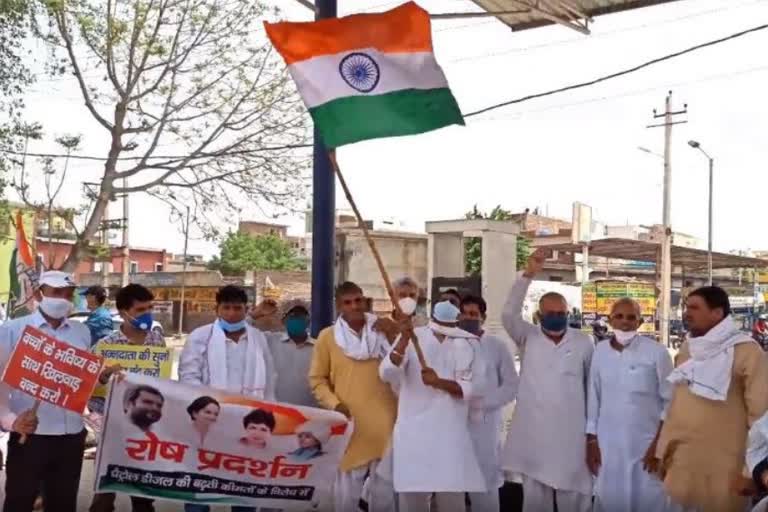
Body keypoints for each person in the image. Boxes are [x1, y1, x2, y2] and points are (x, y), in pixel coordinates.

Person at [657, 286, 768, 512]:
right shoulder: (688, 349)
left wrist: (751, 473)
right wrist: (662, 452)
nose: (687, 313)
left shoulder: (747, 351)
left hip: (727, 468)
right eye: (687, 307)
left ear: (717, 313)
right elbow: (677, 406)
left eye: (695, 308)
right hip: (683, 462)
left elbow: (760, 415)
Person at [501, 249, 594, 512]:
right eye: (550, 312)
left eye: (561, 312)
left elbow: (591, 387)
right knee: (534, 499)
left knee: (574, 496)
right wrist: (528, 274)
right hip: (535, 435)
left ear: (568, 313)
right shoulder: (527, 337)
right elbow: (509, 314)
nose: (556, 316)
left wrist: (592, 433)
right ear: (539, 316)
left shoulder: (583, 342)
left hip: (571, 435)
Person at [379, 300, 485, 512]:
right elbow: (387, 373)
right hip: (414, 432)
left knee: (452, 495)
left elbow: (475, 388)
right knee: (413, 496)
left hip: (450, 432)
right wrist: (403, 341)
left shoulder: (470, 343)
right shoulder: (413, 336)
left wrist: (439, 383)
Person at [179, 285, 277, 512]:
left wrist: (270, 414)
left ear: (246, 310)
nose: (232, 313)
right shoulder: (200, 336)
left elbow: (270, 378)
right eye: (227, 308)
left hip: (248, 422)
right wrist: (209, 410)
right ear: (217, 309)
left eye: (237, 308)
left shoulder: (257, 338)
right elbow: (188, 377)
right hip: (210, 422)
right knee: (201, 485)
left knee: (243, 487)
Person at [0, 271, 91, 512]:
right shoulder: (12, 330)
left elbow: (81, 380)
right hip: (29, 437)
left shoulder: (81, 332)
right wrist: (11, 421)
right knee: (19, 502)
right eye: (57, 292)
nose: (64, 299)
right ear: (40, 293)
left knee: (63, 504)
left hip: (72, 436)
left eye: (69, 294)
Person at [308, 281, 398, 512]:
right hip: (350, 420)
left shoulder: (382, 329)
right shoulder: (328, 337)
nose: (355, 306)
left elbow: (402, 361)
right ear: (339, 306)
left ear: (365, 301)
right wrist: (334, 404)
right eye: (348, 302)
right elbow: (317, 379)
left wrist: (393, 331)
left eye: (358, 300)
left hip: (386, 418)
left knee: (385, 488)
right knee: (347, 490)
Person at [586, 297, 673, 512]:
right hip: (609, 445)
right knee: (610, 497)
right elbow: (594, 397)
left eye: (631, 317)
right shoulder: (600, 351)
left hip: (645, 446)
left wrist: (658, 447)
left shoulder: (657, 352)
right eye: (619, 316)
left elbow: (671, 401)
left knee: (649, 498)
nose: (625, 322)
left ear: (640, 322)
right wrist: (591, 441)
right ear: (610, 320)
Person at [459, 295, 519, 512]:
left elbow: (512, 386)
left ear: (482, 318)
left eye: (473, 314)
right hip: (452, 424)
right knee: (452, 487)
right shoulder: (448, 343)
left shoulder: (496, 346)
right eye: (464, 313)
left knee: (485, 486)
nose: (468, 318)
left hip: (485, 426)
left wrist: (483, 403)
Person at [268, 299, 317, 407]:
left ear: (308, 321)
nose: (297, 320)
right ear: (284, 320)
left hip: (311, 412)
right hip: (277, 410)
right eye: (293, 316)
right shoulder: (271, 341)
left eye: (301, 316)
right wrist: (254, 315)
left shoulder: (318, 348)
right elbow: (246, 332)